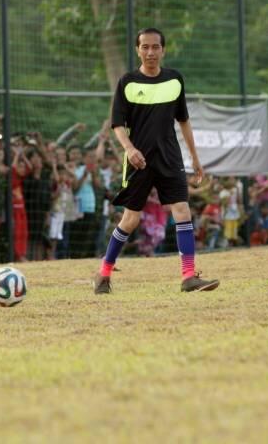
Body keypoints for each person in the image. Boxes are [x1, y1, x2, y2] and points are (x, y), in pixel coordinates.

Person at [94, 27, 219, 294]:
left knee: (183, 210)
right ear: (137, 50)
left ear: (163, 50)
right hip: (139, 160)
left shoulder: (175, 80)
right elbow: (117, 124)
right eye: (145, 47)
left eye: (155, 47)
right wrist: (129, 148)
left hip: (170, 158)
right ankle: (103, 273)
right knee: (130, 220)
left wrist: (195, 158)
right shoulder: (127, 82)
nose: (150, 52)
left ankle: (188, 277)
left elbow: (183, 120)